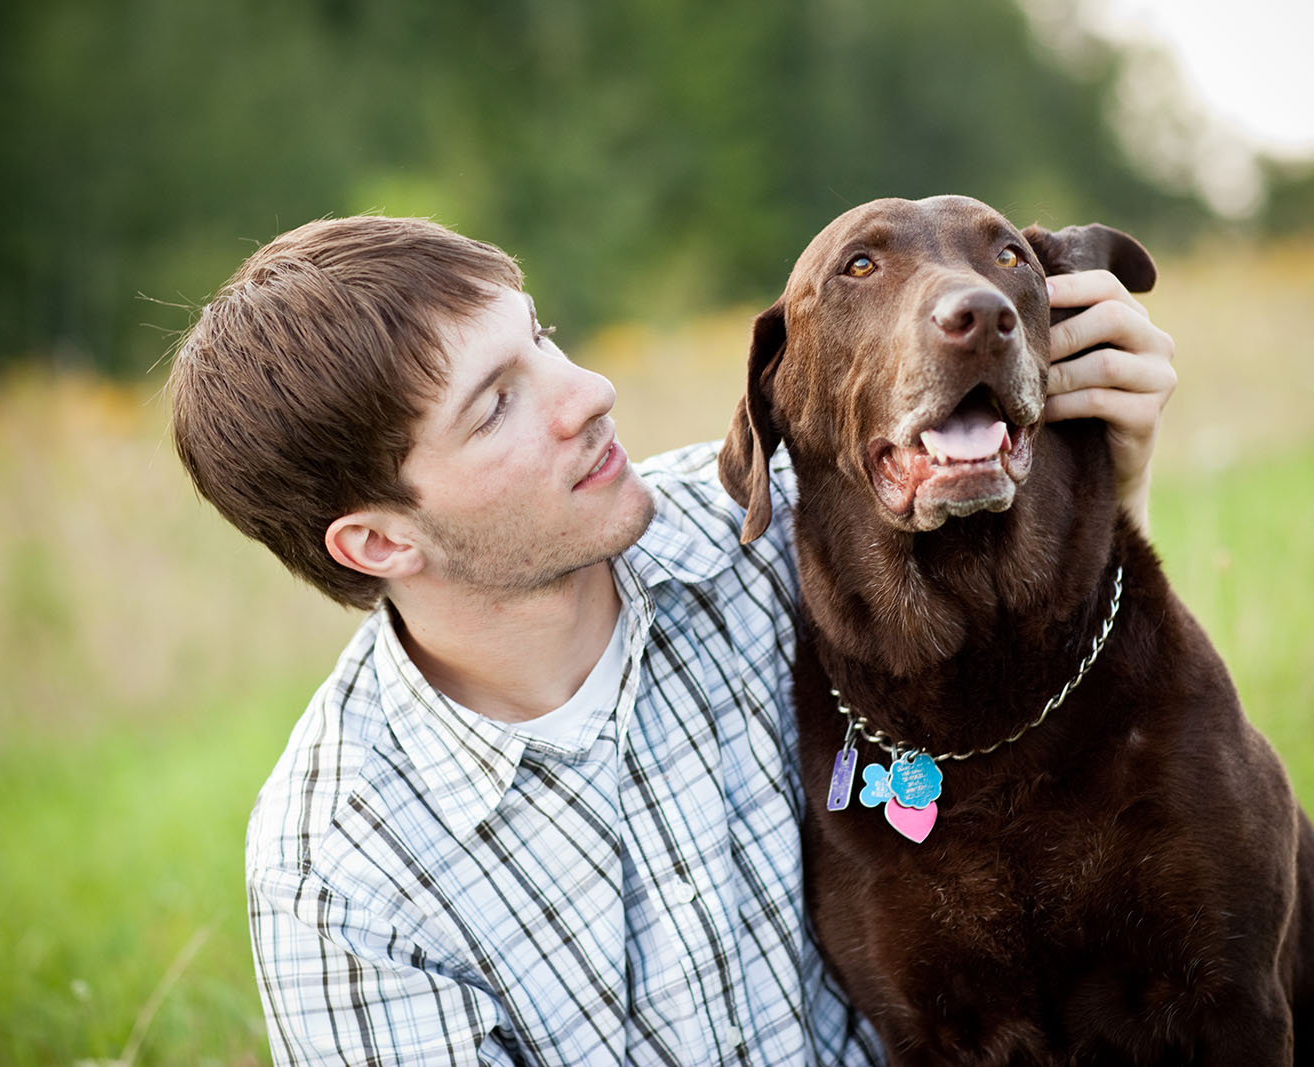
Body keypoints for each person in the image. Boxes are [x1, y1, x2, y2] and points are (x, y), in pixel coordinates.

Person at [169, 215, 1175, 1065]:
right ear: (381, 539)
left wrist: (1107, 471)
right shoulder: (343, 876)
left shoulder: (785, 528)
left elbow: (1062, 665)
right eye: (497, 403)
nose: (587, 391)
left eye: (543, 338)